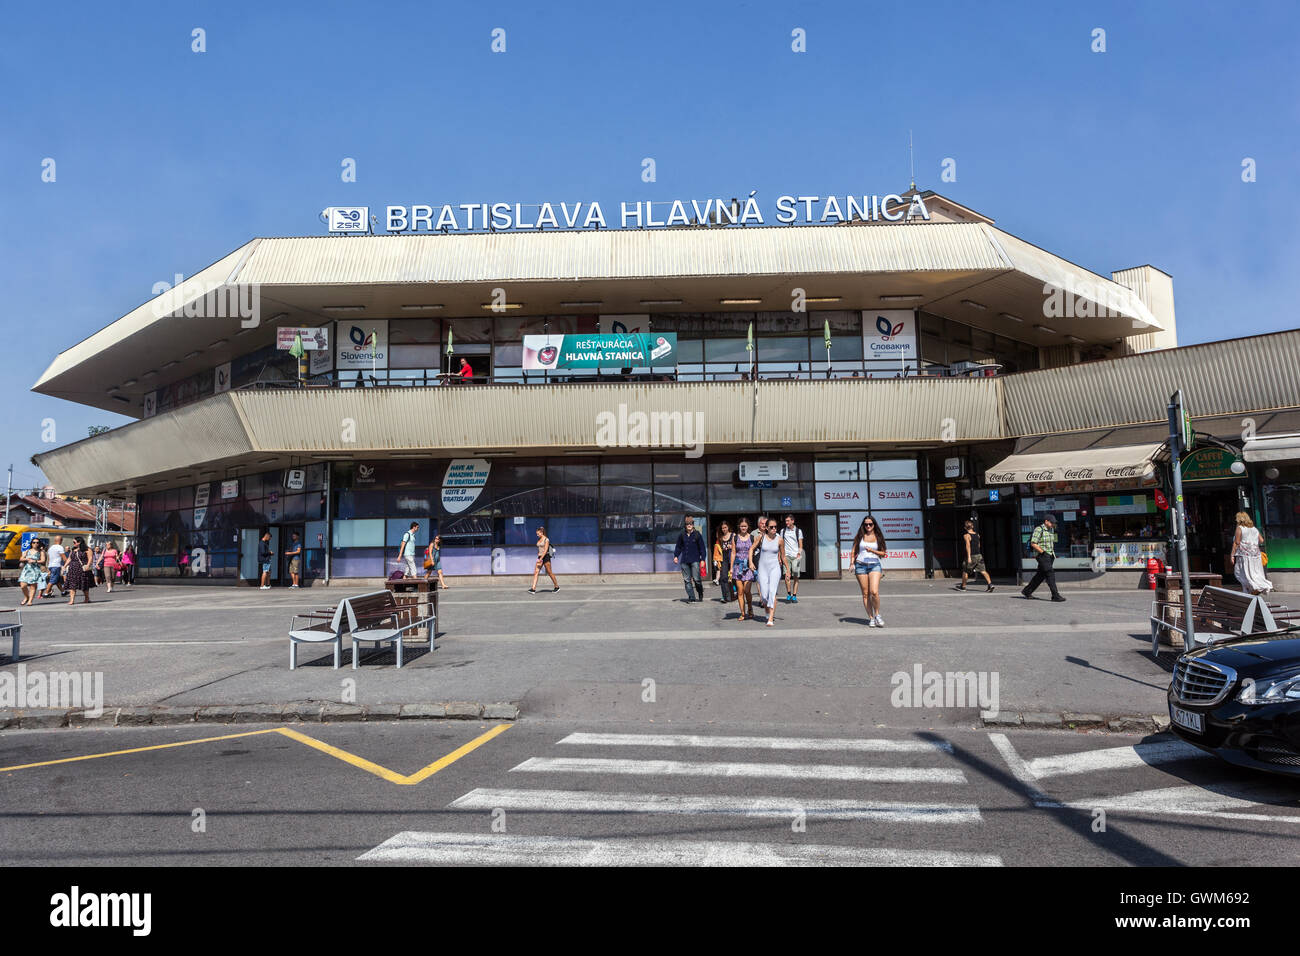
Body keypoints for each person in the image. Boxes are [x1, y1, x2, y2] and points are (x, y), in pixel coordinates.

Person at [1022, 514, 1066, 602]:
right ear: (1046, 521)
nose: (1053, 524)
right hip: (1042, 555)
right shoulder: (1039, 529)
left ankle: (1027, 591)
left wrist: (1051, 554)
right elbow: (1033, 543)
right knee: (1050, 574)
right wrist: (1043, 552)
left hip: (1050, 555)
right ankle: (1055, 595)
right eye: (1052, 522)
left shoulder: (1051, 530)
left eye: (1054, 523)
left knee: (1040, 575)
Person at [852, 515, 887, 627]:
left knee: (874, 592)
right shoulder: (859, 536)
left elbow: (883, 553)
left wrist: (872, 550)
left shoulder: (878, 536)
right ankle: (871, 618)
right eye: (866, 524)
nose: (868, 526)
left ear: (874, 525)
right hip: (860, 566)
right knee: (865, 593)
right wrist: (852, 563)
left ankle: (877, 615)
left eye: (870, 524)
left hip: (874, 565)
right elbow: (853, 551)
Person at [753, 518, 787, 626]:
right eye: (771, 527)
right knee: (764, 595)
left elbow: (783, 556)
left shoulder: (780, 539)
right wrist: (750, 562)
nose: (774, 529)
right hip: (762, 568)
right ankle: (767, 611)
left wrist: (788, 570)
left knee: (772, 592)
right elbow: (751, 549)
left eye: (775, 527)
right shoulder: (761, 537)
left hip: (775, 568)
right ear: (766, 528)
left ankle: (770, 618)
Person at [1231, 511, 1273, 595]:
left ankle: (1253, 589)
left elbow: (1237, 542)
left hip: (1244, 555)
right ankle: (1257, 588)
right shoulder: (1254, 529)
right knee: (1256, 573)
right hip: (1255, 555)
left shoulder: (1240, 528)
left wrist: (1232, 555)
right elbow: (1261, 540)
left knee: (1241, 573)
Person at [673, 516, 707, 603]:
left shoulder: (697, 534)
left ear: (693, 524)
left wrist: (703, 559)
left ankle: (700, 592)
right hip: (684, 561)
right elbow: (678, 547)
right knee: (687, 580)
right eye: (687, 524)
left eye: (691, 523)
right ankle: (691, 597)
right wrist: (676, 556)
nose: (689, 525)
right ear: (685, 525)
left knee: (697, 579)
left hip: (695, 560)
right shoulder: (682, 534)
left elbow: (702, 548)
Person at [957, 519, 994, 592]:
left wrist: (969, 557)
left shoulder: (966, 535)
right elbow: (979, 545)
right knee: (983, 571)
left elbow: (968, 546)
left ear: (965, 528)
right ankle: (990, 585)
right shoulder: (977, 535)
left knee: (965, 571)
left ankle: (963, 587)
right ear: (972, 526)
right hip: (979, 555)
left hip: (972, 555)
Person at [731, 518, 756, 621]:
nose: (743, 528)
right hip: (738, 567)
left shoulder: (752, 538)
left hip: (748, 567)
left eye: (745, 526)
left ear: (748, 527)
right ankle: (742, 613)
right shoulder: (735, 538)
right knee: (740, 592)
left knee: (747, 591)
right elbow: (733, 552)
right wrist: (731, 568)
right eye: (742, 526)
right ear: (739, 527)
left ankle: (750, 607)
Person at [63, 536, 96, 605]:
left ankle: (87, 598)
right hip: (72, 569)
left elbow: (90, 558)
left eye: (74, 542)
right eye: (73, 542)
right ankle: (72, 600)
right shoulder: (73, 549)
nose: (73, 543)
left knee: (84, 585)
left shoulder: (87, 549)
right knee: (72, 585)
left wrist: (88, 565)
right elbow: (69, 558)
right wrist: (65, 566)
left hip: (82, 569)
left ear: (79, 542)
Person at [780, 514, 804, 603]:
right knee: (787, 576)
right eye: (786, 521)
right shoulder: (783, 531)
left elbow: (800, 544)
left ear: (792, 521)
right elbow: (781, 544)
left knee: (796, 576)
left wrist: (799, 553)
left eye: (788, 521)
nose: (786, 523)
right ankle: (789, 593)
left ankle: (794, 595)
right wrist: (780, 556)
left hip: (795, 556)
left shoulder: (798, 531)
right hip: (786, 556)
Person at [530, 525, 559, 593]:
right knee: (536, 572)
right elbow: (540, 548)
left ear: (541, 532)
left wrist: (541, 559)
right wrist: (539, 556)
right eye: (536, 534)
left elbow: (545, 550)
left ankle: (556, 586)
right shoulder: (539, 539)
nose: (537, 535)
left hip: (546, 557)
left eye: (538, 533)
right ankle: (533, 589)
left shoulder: (546, 539)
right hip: (540, 557)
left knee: (549, 572)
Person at [713, 522, 736, 604]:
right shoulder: (720, 538)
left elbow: (739, 546)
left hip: (732, 557)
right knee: (723, 577)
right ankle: (725, 596)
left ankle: (734, 594)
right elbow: (716, 548)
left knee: (733, 578)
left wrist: (732, 546)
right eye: (722, 528)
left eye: (725, 527)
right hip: (724, 559)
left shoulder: (733, 535)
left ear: (728, 527)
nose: (724, 529)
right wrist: (716, 560)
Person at [17, 535, 42, 606]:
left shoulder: (40, 552)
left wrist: (35, 561)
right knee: (23, 585)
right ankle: (26, 597)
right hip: (27, 569)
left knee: (32, 586)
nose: (35, 544)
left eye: (37, 542)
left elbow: (43, 560)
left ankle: (30, 601)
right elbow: (21, 558)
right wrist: (27, 559)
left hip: (35, 570)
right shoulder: (27, 551)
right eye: (34, 542)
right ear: (31, 543)